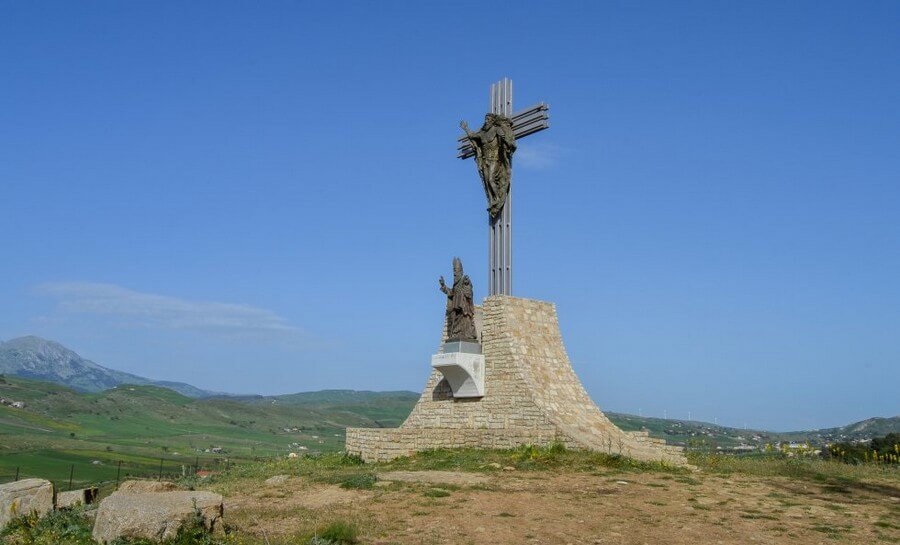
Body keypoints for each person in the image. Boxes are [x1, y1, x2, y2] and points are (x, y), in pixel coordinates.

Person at [460, 113, 516, 219]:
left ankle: (497, 199)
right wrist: (466, 128)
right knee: (486, 182)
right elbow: (472, 136)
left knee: (491, 179)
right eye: (485, 119)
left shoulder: (496, 130)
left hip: (495, 159)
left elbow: (504, 139)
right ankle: (492, 200)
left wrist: (507, 143)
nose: (486, 121)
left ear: (492, 121)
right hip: (485, 161)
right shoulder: (482, 133)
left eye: (488, 119)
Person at [439, 257, 478, 343]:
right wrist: (443, 286)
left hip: (464, 307)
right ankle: (457, 335)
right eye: (454, 271)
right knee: (456, 325)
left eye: (456, 271)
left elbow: (469, 291)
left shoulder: (464, 280)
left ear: (461, 271)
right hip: (456, 308)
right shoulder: (455, 285)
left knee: (466, 323)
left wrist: (467, 284)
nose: (455, 273)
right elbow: (451, 293)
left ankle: (468, 336)